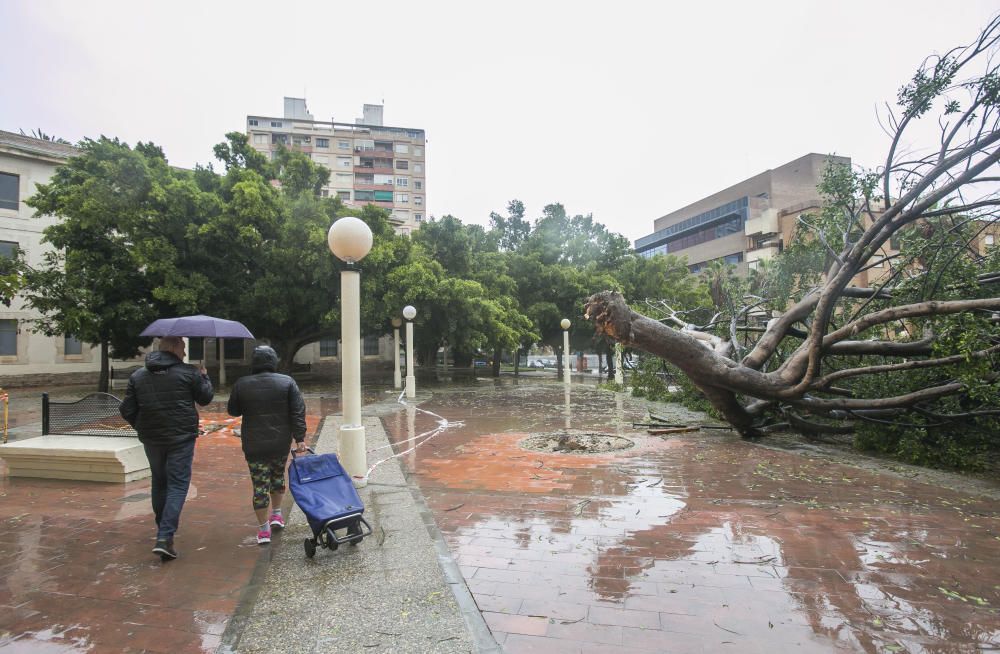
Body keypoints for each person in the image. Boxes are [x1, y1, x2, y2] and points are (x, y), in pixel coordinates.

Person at [120, 336, 214, 561]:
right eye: (182, 347)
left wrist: (143, 426)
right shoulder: (189, 373)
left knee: (159, 481)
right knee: (178, 484)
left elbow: (127, 410)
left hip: (152, 438)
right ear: (172, 347)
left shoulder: (138, 376)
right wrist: (205, 376)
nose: (183, 352)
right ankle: (165, 536)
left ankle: (163, 529)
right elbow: (206, 398)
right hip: (181, 438)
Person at [227, 346, 307, 545]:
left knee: (260, 485)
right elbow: (298, 412)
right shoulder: (287, 382)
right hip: (280, 442)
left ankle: (263, 530)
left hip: (254, 445)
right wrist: (300, 439)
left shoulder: (241, 384)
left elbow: (233, 411)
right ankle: (277, 515)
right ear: (273, 362)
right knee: (278, 478)